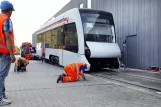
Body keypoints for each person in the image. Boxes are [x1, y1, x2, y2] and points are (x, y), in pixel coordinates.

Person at [0, 0, 16, 105]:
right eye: (12, 11)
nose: (12, 13)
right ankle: (0, 98)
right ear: (9, 11)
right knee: (1, 75)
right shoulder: (7, 20)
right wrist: (12, 54)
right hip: (5, 52)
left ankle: (2, 93)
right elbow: (8, 37)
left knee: (1, 74)